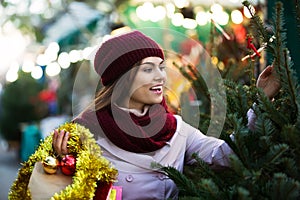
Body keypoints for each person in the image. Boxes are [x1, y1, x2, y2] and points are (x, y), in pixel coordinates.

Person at [52, 30, 281, 200]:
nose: (161, 77)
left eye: (161, 67)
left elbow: (228, 155)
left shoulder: (176, 129)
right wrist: (62, 162)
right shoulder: (86, 132)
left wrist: (261, 100)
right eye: (148, 69)